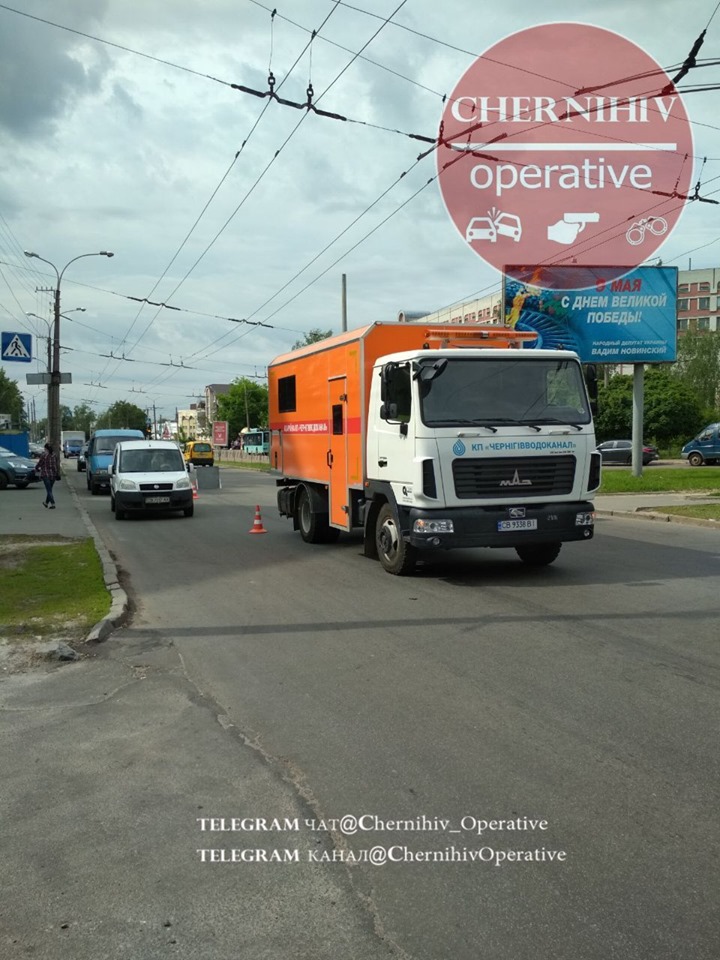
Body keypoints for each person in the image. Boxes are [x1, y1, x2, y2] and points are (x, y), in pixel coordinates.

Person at [36, 442, 60, 509]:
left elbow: (39, 464)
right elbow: (55, 466)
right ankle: (46, 503)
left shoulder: (44, 456)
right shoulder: (54, 455)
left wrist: (36, 468)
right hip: (53, 475)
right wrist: (57, 473)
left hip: (45, 474)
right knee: (50, 490)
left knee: (49, 490)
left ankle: (53, 504)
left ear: (46, 449)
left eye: (44, 448)